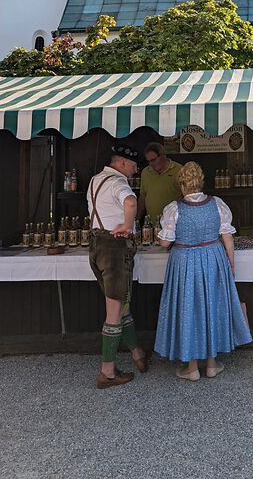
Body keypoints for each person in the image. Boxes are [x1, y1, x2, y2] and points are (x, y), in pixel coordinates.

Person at [154, 161, 252, 380]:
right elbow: (227, 237)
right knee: (211, 306)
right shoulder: (217, 204)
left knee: (188, 310)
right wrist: (231, 264)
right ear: (201, 182)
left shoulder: (174, 209)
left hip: (185, 260)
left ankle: (191, 368)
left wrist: (162, 235)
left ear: (182, 184)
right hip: (213, 258)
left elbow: (164, 243)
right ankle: (211, 365)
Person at [88, 144, 149, 389]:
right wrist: (126, 224)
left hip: (97, 245)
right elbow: (131, 202)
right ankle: (108, 372)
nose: (135, 171)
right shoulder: (118, 182)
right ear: (122, 162)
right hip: (114, 248)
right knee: (114, 310)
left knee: (121, 305)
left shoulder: (95, 181)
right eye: (134, 166)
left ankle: (137, 354)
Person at [138, 142, 182, 223]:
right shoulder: (145, 172)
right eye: (149, 161)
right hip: (152, 224)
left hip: (174, 223)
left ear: (163, 155)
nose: (151, 164)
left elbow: (186, 196)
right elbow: (143, 196)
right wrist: (137, 218)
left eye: (153, 160)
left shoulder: (179, 170)